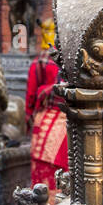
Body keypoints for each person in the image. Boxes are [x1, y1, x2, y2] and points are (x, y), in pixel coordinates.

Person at [26, 21, 68, 194]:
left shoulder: (41, 61)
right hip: (67, 122)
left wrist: (28, 120)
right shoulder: (71, 59)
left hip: (45, 123)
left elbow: (30, 97)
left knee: (43, 171)